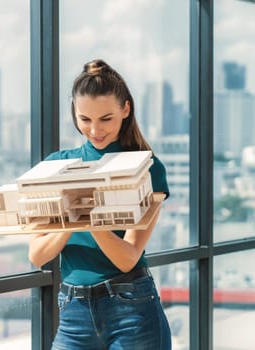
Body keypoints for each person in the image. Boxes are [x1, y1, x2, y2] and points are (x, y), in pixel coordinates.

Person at [28, 59, 171, 350]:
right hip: (73, 311)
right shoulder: (55, 166)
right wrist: (72, 217)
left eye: (106, 118)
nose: (95, 130)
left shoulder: (148, 168)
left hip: (132, 308)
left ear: (125, 109)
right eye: (85, 119)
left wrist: (89, 218)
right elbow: (37, 255)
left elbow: (127, 258)